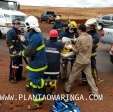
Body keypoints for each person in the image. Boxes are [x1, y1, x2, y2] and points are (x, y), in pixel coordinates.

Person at [64, 24, 99, 96]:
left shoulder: (80, 38)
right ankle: (95, 92)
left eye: (78, 29)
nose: (77, 30)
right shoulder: (90, 37)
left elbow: (76, 51)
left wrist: (70, 46)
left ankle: (67, 88)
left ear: (80, 30)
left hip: (80, 61)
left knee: (73, 74)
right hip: (87, 60)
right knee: (90, 77)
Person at [22, 16, 47, 109]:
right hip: (38, 62)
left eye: (26, 25)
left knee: (35, 82)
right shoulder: (36, 34)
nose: (26, 27)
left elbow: (28, 52)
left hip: (37, 64)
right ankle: (41, 94)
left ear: (30, 25)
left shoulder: (35, 37)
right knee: (35, 80)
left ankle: (37, 103)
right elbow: (30, 44)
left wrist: (23, 52)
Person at [82, 18, 101, 84]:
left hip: (91, 53)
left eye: (91, 26)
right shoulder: (88, 33)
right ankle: (84, 80)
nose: (90, 27)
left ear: (94, 26)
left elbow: (92, 44)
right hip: (85, 53)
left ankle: (95, 80)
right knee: (84, 66)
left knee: (92, 67)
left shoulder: (96, 36)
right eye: (90, 26)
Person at [44, 29, 64, 94]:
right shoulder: (60, 44)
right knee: (54, 78)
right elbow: (64, 51)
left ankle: (45, 89)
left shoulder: (45, 42)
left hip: (45, 66)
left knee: (45, 77)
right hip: (55, 66)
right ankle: (53, 90)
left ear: (49, 36)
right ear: (57, 36)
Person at [6, 19, 23, 83]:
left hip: (20, 51)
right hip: (14, 52)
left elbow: (21, 41)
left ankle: (19, 77)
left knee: (20, 64)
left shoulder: (19, 31)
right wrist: (13, 50)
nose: (18, 25)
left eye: (19, 23)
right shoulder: (10, 32)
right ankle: (12, 78)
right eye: (17, 23)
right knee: (14, 65)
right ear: (13, 24)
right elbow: (8, 42)